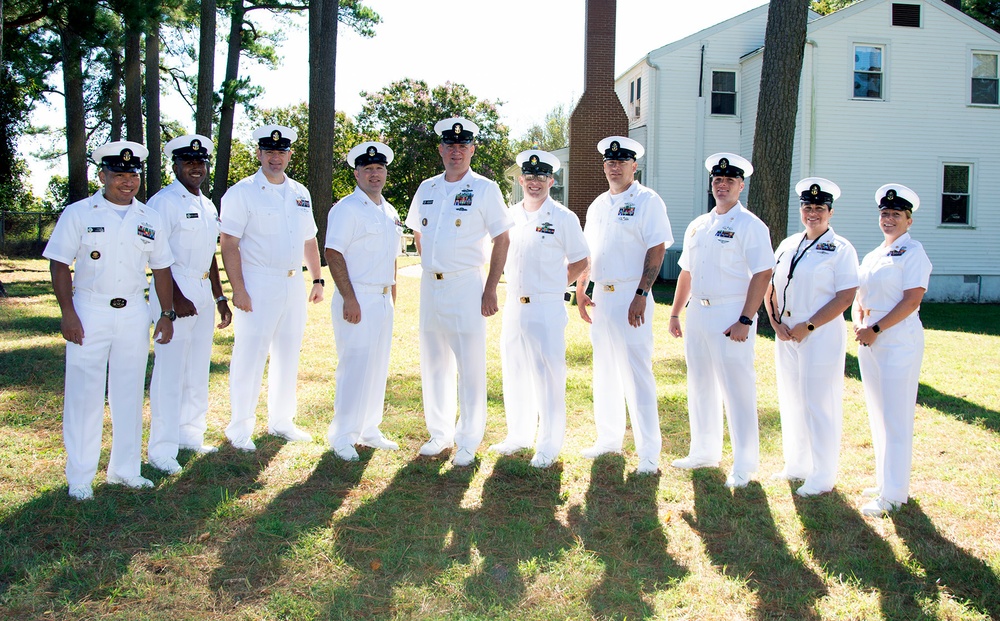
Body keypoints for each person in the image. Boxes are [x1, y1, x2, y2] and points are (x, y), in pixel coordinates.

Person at [43, 141, 176, 500]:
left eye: (132, 175)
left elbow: (162, 268)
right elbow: (59, 263)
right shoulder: (79, 213)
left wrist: (165, 314)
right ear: (102, 176)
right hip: (89, 309)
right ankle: (81, 476)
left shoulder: (149, 217)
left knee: (130, 392)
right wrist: (67, 311)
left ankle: (125, 470)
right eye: (119, 174)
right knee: (85, 394)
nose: (127, 181)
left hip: (134, 311)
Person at [404, 116, 513, 467]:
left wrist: (490, 288)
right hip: (430, 286)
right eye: (450, 146)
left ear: (472, 149)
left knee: (469, 365)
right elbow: (418, 232)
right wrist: (433, 264)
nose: (456, 151)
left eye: (463, 145)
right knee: (434, 362)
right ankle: (440, 434)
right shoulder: (427, 188)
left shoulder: (485, 189)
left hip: (467, 284)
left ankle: (467, 439)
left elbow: (502, 238)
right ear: (440, 149)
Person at [668, 152, 773, 488]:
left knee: (737, 388)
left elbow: (763, 272)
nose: (722, 185)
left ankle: (744, 463)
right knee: (699, 383)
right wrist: (674, 311)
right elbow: (687, 270)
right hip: (698, 311)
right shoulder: (699, 225)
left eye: (729, 180)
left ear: (741, 185)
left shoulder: (751, 225)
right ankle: (703, 450)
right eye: (717, 179)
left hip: (731, 313)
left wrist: (746, 317)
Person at [219, 125, 324, 451]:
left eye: (281, 152)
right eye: (269, 152)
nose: (275, 157)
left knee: (288, 354)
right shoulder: (241, 192)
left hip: (293, 283)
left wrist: (317, 278)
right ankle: (239, 429)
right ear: (259, 154)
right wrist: (239, 288)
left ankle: (282, 421)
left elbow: (309, 239)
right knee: (250, 355)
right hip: (258, 281)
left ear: (289, 154)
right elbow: (229, 243)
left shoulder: (300, 192)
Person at [575, 136, 672, 474]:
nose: (614, 166)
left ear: (634, 166)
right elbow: (590, 252)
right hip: (602, 295)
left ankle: (649, 453)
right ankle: (608, 440)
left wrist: (642, 294)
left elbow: (656, 249)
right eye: (609, 162)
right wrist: (582, 288)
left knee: (636, 373)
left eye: (622, 161)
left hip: (633, 295)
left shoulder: (647, 201)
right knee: (605, 371)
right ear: (604, 166)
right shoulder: (598, 204)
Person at [490, 150, 589, 469]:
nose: (535, 182)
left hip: (546, 306)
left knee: (547, 376)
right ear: (521, 180)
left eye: (542, 177)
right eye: (530, 177)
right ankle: (518, 435)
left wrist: (554, 284)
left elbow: (580, 261)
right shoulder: (508, 215)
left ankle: (548, 445)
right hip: (514, 305)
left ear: (552, 181)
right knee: (514, 370)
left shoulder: (563, 218)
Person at [764, 177, 858, 497]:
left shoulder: (841, 249)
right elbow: (771, 287)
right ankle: (797, 465)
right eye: (807, 207)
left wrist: (809, 326)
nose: (812, 213)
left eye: (819, 208)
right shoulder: (788, 244)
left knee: (819, 402)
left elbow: (845, 297)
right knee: (791, 399)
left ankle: (823, 475)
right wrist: (775, 322)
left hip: (820, 333)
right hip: (787, 333)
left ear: (831, 213)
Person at [146, 134, 233, 474]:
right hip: (174, 288)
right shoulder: (163, 202)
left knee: (196, 370)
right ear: (176, 165)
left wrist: (220, 295)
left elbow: (209, 255)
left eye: (201, 162)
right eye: (188, 162)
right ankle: (162, 448)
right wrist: (173, 301)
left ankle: (190, 436)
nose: (196, 167)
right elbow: (157, 257)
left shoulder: (207, 203)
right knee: (170, 372)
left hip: (201, 289)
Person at [853, 183, 932, 517]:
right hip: (869, 340)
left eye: (896, 214)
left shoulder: (914, 254)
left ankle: (895, 493)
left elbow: (912, 300)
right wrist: (859, 322)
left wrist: (874, 329)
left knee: (896, 415)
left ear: (909, 220)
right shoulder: (874, 254)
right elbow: (861, 295)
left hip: (897, 341)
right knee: (878, 412)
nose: (888, 219)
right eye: (885, 214)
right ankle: (885, 480)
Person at [325, 141, 402, 461]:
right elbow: (333, 252)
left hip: (383, 299)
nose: (374, 174)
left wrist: (393, 298)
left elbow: (393, 258)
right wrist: (349, 298)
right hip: (357, 297)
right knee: (354, 367)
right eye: (368, 169)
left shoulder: (390, 210)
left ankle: (369, 428)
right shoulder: (346, 208)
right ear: (356, 173)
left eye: (379, 168)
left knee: (376, 366)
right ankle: (342, 434)